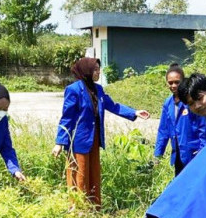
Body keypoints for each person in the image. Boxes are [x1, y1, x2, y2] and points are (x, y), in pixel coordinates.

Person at [52, 58, 150, 210]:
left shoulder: (98, 89)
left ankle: (94, 208)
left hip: (95, 139)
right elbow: (67, 117)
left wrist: (134, 112)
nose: (98, 72)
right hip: (78, 141)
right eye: (95, 69)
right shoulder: (74, 90)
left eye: (99, 69)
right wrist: (60, 142)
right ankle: (78, 209)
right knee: (80, 174)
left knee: (94, 174)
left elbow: (113, 106)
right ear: (86, 71)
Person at [154, 64, 206, 176]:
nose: (173, 85)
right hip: (178, 155)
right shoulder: (168, 104)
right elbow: (163, 130)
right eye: (170, 82)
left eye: (177, 82)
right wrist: (158, 154)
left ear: (183, 81)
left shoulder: (192, 101)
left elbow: (203, 127)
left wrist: (203, 151)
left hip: (194, 154)